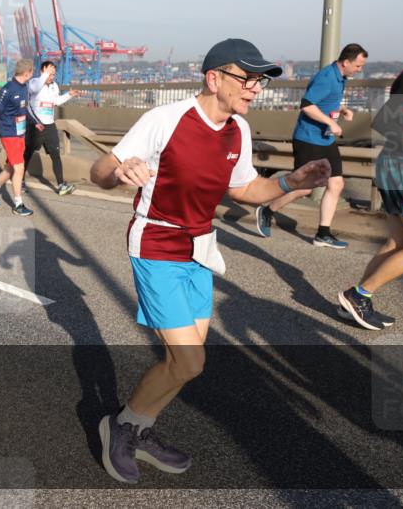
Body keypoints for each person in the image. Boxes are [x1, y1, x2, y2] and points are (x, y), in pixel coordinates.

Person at [89, 38, 329, 484]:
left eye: (259, 80)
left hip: (201, 247)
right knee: (190, 362)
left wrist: (288, 181)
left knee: (184, 363)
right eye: (247, 78)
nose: (255, 88)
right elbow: (100, 170)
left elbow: (243, 190)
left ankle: (138, 427)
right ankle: (120, 427)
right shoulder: (166, 119)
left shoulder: (239, 130)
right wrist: (117, 173)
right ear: (213, 78)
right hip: (157, 243)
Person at [339, 19, 403, 331]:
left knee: (397, 243)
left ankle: (357, 300)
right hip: (401, 168)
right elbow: (387, 122)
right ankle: (358, 296)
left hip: (396, 165)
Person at [255, 44, 368, 247]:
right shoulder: (326, 77)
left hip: (326, 140)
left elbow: (325, 101)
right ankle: (267, 210)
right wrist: (331, 123)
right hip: (308, 139)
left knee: (336, 184)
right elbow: (307, 105)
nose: (360, 70)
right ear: (346, 62)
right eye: (358, 66)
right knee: (304, 188)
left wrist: (342, 110)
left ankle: (323, 234)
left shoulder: (340, 77)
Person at [0, 60, 35, 216]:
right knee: (19, 168)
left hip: (20, 133)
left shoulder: (24, 88)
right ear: (27, 73)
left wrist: (35, 123)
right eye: (32, 72)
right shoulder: (7, 89)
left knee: (10, 167)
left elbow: (24, 110)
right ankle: (18, 205)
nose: (32, 75)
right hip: (9, 133)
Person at [24, 60, 80, 196]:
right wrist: (45, 75)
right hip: (35, 126)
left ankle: (61, 185)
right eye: (50, 73)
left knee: (56, 155)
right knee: (27, 155)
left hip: (49, 126)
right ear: (43, 71)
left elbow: (56, 101)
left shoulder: (54, 86)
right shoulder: (34, 82)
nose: (52, 76)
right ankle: (19, 181)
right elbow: (36, 88)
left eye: (54, 74)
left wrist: (69, 95)